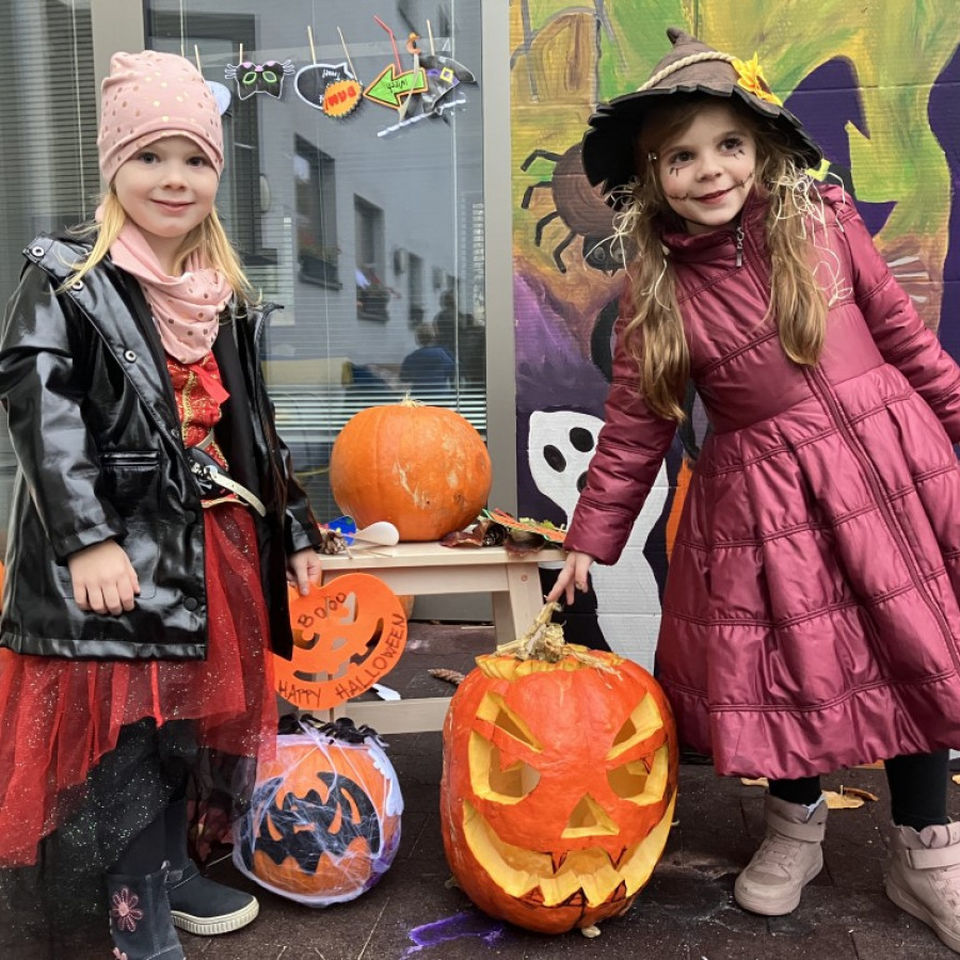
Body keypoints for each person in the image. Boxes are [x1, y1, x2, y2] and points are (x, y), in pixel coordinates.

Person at [548, 27, 960, 954]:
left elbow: (908, 342)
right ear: (653, 177)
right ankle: (796, 825)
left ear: (761, 146)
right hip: (768, 505)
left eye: (727, 145)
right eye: (681, 156)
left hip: (893, 465)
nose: (710, 170)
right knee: (790, 662)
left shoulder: (825, 221)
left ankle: (929, 849)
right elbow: (634, 429)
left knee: (916, 645)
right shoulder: (660, 294)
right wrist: (590, 535)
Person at [0, 50, 325, 960]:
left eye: (194, 158)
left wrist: (290, 521)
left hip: (210, 543)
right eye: (149, 157)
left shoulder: (220, 291)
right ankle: (131, 898)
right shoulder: (68, 275)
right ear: (113, 166)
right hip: (116, 554)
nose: (173, 179)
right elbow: (41, 407)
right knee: (129, 735)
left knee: (189, 718)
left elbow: (252, 427)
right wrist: (88, 539)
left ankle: (171, 863)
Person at [400, 322, 454, 393]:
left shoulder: (412, 357)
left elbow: (404, 378)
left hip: (420, 398)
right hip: (441, 397)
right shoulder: (443, 354)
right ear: (433, 337)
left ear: (418, 339)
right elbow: (451, 371)